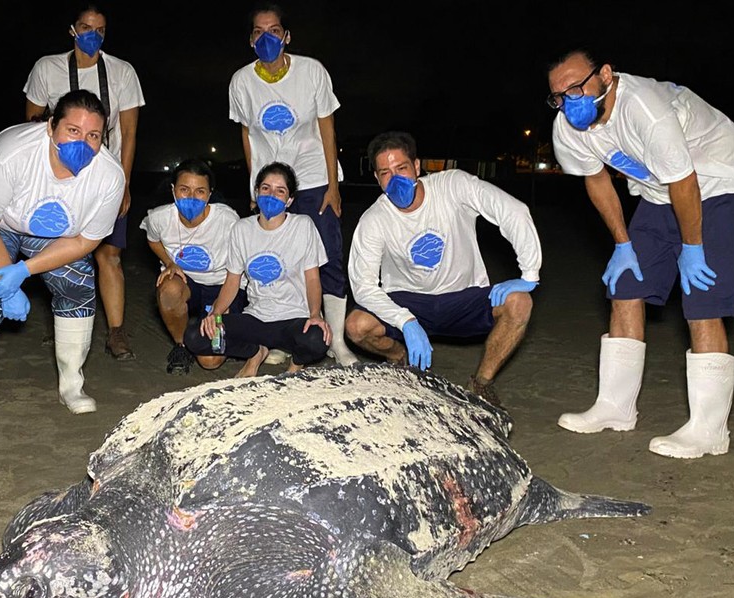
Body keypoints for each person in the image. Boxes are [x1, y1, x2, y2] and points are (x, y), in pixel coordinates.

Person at [546, 49, 734, 459]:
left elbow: (685, 180)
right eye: (559, 94)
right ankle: (615, 407)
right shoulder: (568, 128)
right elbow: (596, 182)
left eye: (577, 86)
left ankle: (708, 430)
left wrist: (693, 247)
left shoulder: (645, 107)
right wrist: (623, 244)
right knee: (625, 285)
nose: (569, 99)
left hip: (720, 180)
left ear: (605, 74)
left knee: (701, 298)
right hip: (660, 191)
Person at [0, 89, 125, 415]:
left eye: (93, 135)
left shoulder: (109, 178)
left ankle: (72, 385)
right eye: (73, 130)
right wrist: (6, 281)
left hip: (53, 230)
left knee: (77, 284)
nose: (83, 143)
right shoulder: (11, 154)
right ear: (51, 126)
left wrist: (24, 270)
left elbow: (84, 243)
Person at [345, 131, 542, 406]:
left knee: (520, 303)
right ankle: (401, 358)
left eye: (401, 168)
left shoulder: (453, 186)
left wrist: (529, 274)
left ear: (416, 167)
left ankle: (480, 384)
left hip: (462, 296)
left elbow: (513, 211)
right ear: (377, 179)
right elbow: (363, 286)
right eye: (386, 173)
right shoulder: (373, 220)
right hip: (409, 300)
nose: (395, 178)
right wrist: (406, 321)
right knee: (356, 325)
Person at [227, 2, 358, 367]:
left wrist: (333, 185)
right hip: (273, 184)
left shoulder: (312, 71)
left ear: (286, 36)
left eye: (273, 30)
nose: (266, 38)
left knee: (326, 257)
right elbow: (247, 134)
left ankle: (337, 342)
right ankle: (285, 336)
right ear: (250, 39)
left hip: (315, 175)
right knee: (280, 258)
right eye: (258, 31)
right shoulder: (241, 81)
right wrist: (255, 187)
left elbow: (327, 128)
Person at [23, 4, 144, 361]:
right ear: (72, 29)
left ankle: (116, 332)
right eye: (85, 27)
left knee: (109, 255)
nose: (92, 34)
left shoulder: (122, 72)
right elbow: (31, 123)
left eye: (100, 29)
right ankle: (62, 322)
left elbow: (130, 133)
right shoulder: (47, 67)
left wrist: (123, 184)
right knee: (58, 252)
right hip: (62, 176)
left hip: (105, 178)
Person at [184, 162, 331, 378]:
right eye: (265, 188)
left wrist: (315, 314)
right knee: (195, 336)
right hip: (256, 318)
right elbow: (232, 281)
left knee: (317, 339)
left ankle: (296, 366)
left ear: (289, 200)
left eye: (280, 191)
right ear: (256, 192)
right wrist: (214, 314)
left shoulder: (303, 226)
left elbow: (312, 278)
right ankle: (255, 352)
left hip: (293, 319)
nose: (271, 195)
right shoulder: (242, 229)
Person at [141, 158, 247, 375]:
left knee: (210, 360)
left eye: (200, 191)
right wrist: (169, 262)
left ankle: (231, 330)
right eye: (184, 189)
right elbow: (152, 239)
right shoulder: (159, 217)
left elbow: (240, 262)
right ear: (173, 190)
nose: (191, 197)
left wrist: (223, 304)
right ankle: (181, 345)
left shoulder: (227, 219)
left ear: (210, 194)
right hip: (188, 283)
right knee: (169, 289)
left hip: (221, 285)